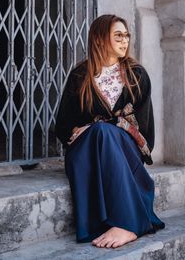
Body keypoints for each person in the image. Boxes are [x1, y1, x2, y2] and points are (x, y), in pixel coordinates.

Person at [55, 14, 165, 249]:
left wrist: (104, 125)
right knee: (100, 132)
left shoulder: (137, 75)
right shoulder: (79, 76)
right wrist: (94, 128)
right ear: (99, 38)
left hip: (125, 151)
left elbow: (143, 129)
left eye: (126, 35)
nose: (124, 40)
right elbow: (63, 126)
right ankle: (124, 220)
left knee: (103, 131)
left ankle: (128, 223)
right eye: (118, 35)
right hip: (86, 152)